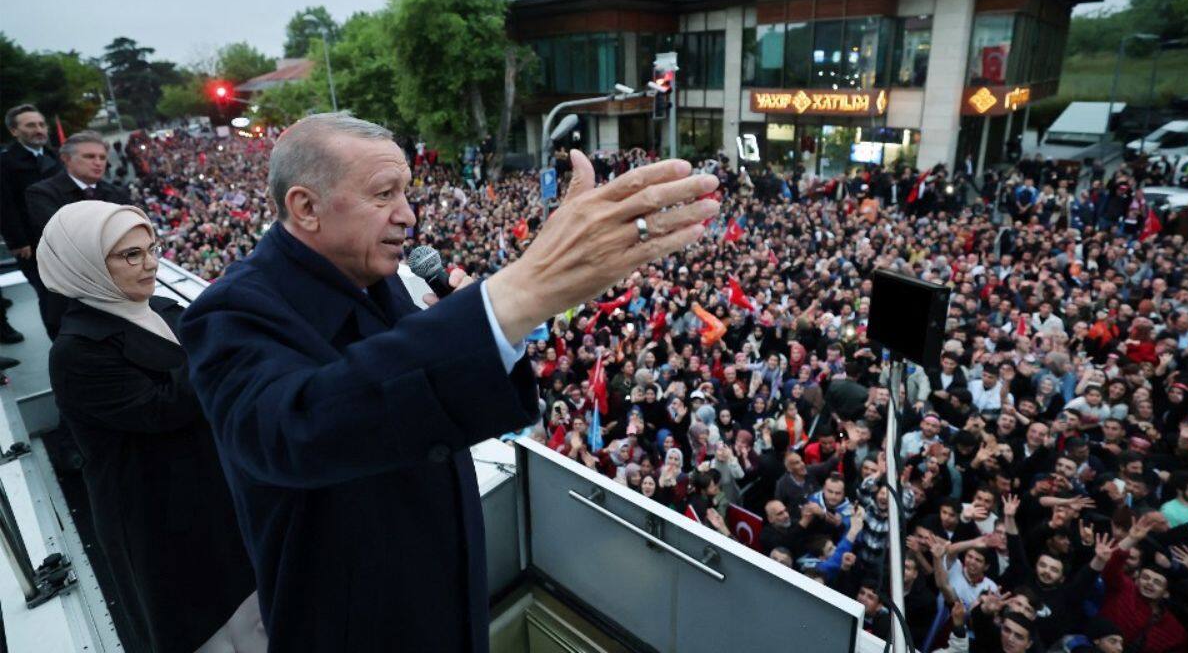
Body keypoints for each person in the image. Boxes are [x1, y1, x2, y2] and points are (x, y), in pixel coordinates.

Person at [179, 113, 718, 651]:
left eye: (406, 193)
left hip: (447, 601)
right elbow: (297, 428)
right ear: (306, 207)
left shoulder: (377, 280)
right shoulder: (229, 313)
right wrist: (517, 293)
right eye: (384, 194)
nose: (408, 216)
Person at [38, 201, 256, 652]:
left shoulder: (159, 305)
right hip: (161, 520)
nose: (151, 263)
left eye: (152, 248)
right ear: (85, 265)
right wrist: (224, 343)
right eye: (130, 255)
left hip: (217, 494)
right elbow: (161, 410)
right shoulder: (77, 351)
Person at [26, 130, 132, 336]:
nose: (98, 162)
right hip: (67, 293)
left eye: (102, 157)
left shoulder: (117, 193)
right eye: (89, 156)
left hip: (114, 289)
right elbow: (63, 237)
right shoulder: (41, 193)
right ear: (66, 159)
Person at [1, 104, 64, 340]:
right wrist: (18, 241)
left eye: (41, 124)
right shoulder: (5, 163)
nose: (39, 129)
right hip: (31, 245)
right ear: (14, 131)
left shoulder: (54, 157)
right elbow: (4, 206)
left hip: (62, 240)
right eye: (30, 125)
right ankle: (59, 345)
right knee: (50, 298)